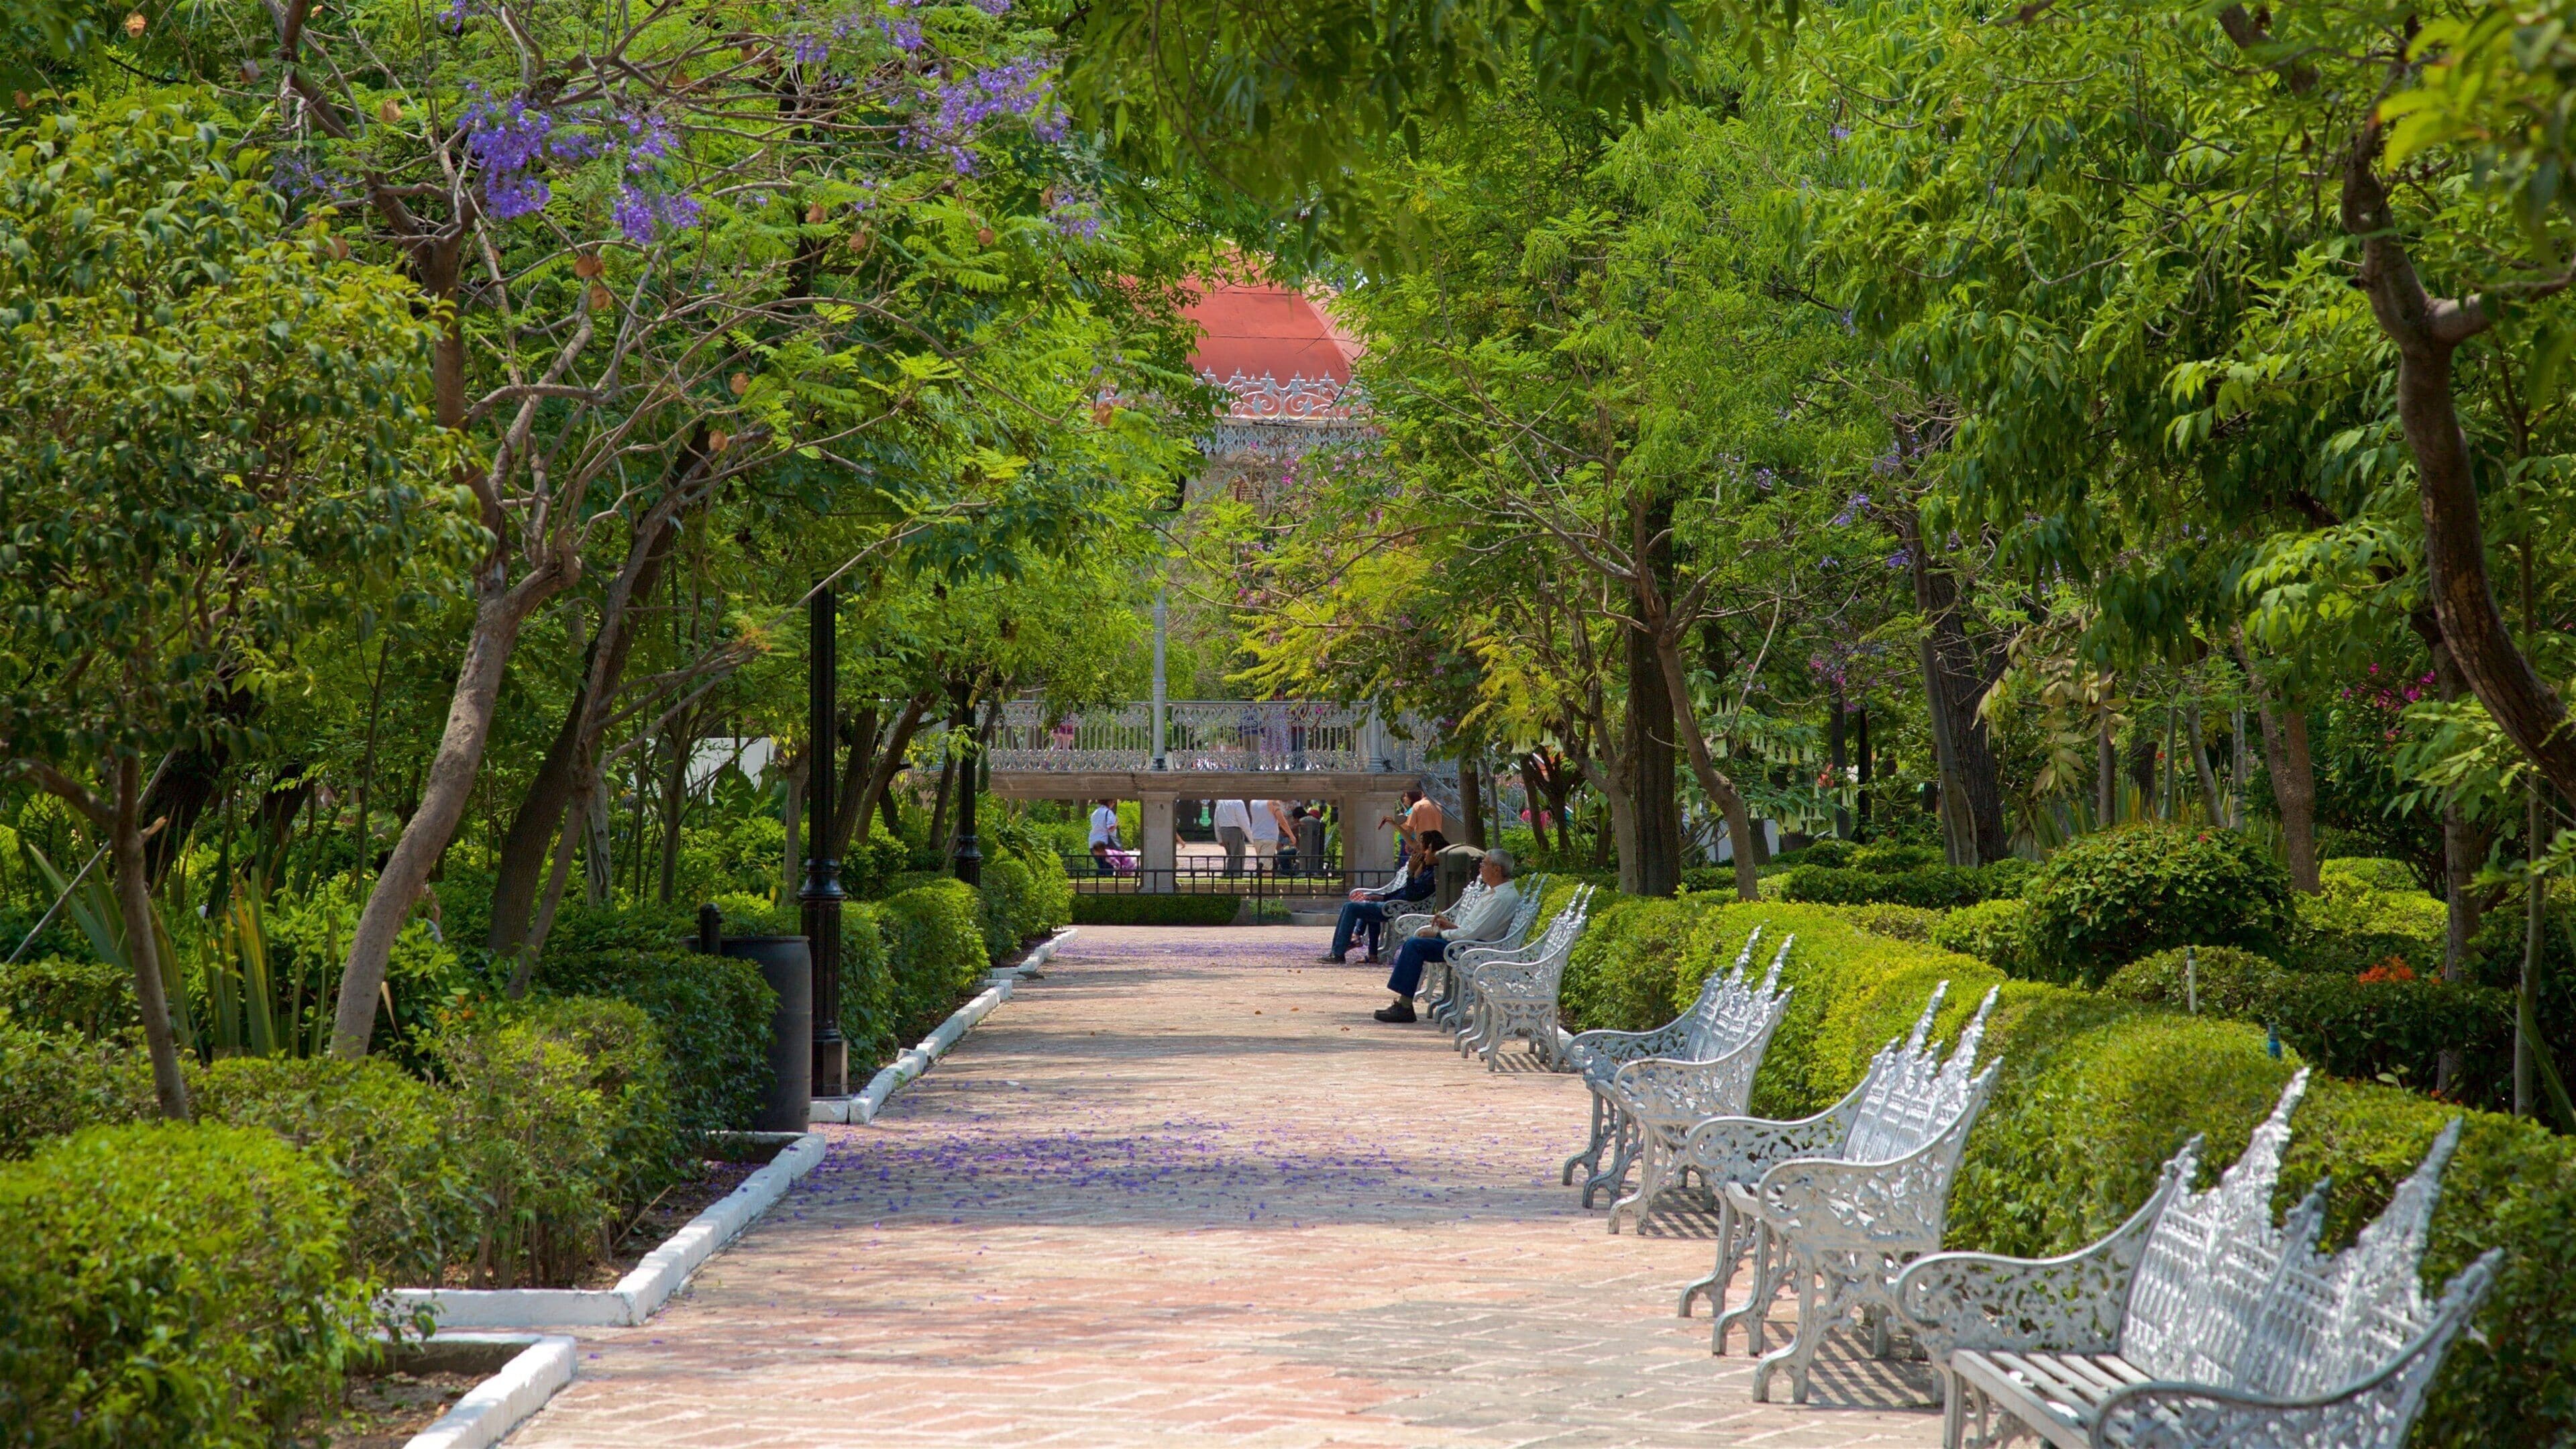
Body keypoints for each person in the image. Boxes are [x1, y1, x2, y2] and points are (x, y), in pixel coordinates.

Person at [1374, 849, 1518, 1024]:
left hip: (1473, 949)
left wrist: (1439, 933)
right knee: (1416, 941)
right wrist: (1450, 926)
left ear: (1497, 869)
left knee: (1415, 945)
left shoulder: (1501, 897)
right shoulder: (1496, 892)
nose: (1481, 868)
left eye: (1485, 864)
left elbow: (1472, 933)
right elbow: (1474, 928)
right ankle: (1403, 1004)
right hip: (1469, 942)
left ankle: (1404, 1007)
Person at [1320, 831, 1443, 964]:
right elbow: (1402, 891)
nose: (1425, 852)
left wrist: (1411, 873)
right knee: (1359, 905)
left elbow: (1411, 895)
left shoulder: (1432, 875)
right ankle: (1358, 953)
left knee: (1351, 907)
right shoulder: (1426, 870)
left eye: (1428, 849)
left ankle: (1338, 953)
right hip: (1395, 904)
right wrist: (1382, 897)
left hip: (1401, 909)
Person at [1378, 788, 1444, 857]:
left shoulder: (1418, 806)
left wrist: (1408, 843)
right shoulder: (1438, 805)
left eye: (1405, 796)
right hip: (1436, 843)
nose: (1404, 798)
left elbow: (1410, 828)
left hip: (1422, 844)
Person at [1213, 798, 1252, 876]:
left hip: (1223, 830)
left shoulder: (1221, 801)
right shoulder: (1238, 802)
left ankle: (1228, 873)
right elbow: (1244, 822)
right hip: (1235, 831)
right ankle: (1235, 875)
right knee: (1238, 856)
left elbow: (1216, 819)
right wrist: (1252, 839)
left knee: (1230, 855)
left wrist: (1219, 838)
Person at [1248, 798, 1282, 875]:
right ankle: (1265, 885)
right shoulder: (1273, 802)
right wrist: (1291, 836)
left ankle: (1261, 880)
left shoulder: (1252, 802)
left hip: (1256, 837)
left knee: (1262, 863)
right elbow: (1282, 821)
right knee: (1266, 867)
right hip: (1269, 837)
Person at [1087, 798, 1120, 875]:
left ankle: (1100, 885)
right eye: (1113, 802)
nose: (1114, 804)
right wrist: (1116, 824)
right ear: (1109, 802)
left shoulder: (1095, 813)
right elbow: (1111, 828)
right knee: (1108, 866)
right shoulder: (1108, 812)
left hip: (1092, 842)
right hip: (1104, 842)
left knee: (1101, 867)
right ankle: (1109, 885)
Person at [1265, 799, 1299, 873]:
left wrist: (1292, 831)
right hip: (1279, 830)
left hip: (1292, 830)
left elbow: (1297, 816)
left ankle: (1287, 869)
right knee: (1280, 849)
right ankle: (1281, 867)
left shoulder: (1294, 803)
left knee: (1289, 849)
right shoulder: (1276, 803)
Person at [1295, 804, 1327, 875]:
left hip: (1302, 850)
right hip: (1309, 852)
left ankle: (1303, 871)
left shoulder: (1302, 821)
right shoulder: (1318, 824)